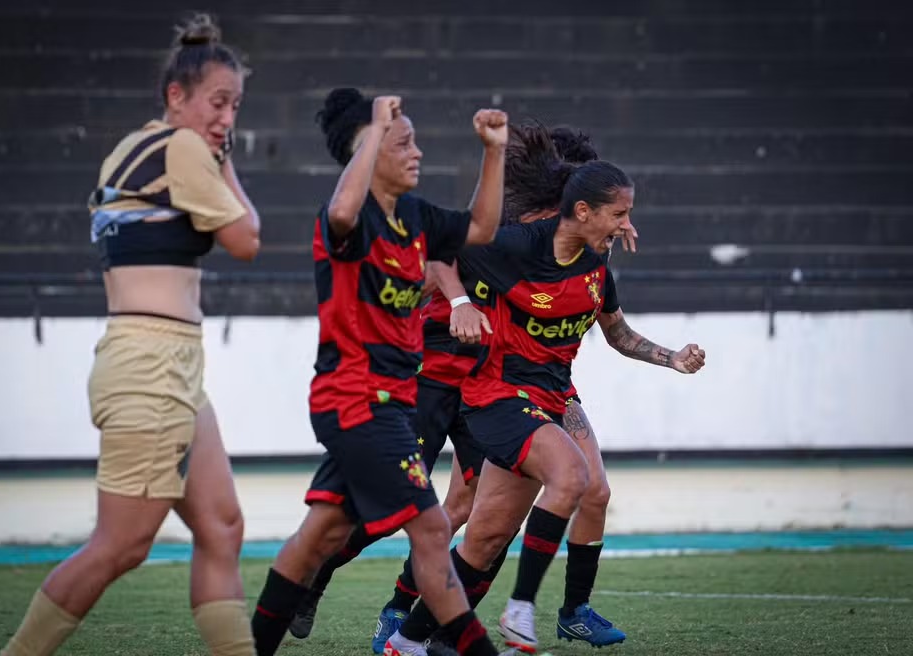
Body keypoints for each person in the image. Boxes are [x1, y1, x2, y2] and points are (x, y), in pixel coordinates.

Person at [0, 14, 261, 656]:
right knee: (121, 545)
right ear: (177, 97)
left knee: (221, 526)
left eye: (235, 106)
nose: (226, 118)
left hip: (157, 363)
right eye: (218, 103)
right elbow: (247, 239)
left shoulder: (129, 148)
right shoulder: (184, 148)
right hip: (151, 365)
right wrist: (226, 166)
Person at [285, 123, 600, 653]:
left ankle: (417, 624)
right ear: (553, 200)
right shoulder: (499, 227)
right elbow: (438, 256)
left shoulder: (567, 249)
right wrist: (457, 301)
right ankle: (313, 576)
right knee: (391, 510)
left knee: (485, 516)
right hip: (432, 379)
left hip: (489, 392)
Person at [387, 160, 706, 656]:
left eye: (629, 213)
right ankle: (522, 609)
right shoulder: (518, 247)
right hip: (498, 397)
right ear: (582, 211)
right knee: (574, 476)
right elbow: (440, 252)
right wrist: (458, 304)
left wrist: (673, 359)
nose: (628, 225)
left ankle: (407, 640)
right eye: (620, 213)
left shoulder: (597, 265)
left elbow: (617, 334)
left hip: (549, 402)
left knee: (485, 539)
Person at [248, 88, 508, 656]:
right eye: (403, 142)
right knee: (435, 530)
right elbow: (342, 211)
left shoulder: (414, 217)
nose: (417, 152)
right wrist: (371, 129)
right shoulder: (346, 216)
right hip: (358, 399)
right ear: (367, 147)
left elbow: (482, 229)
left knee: (321, 534)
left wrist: (494, 152)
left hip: (387, 400)